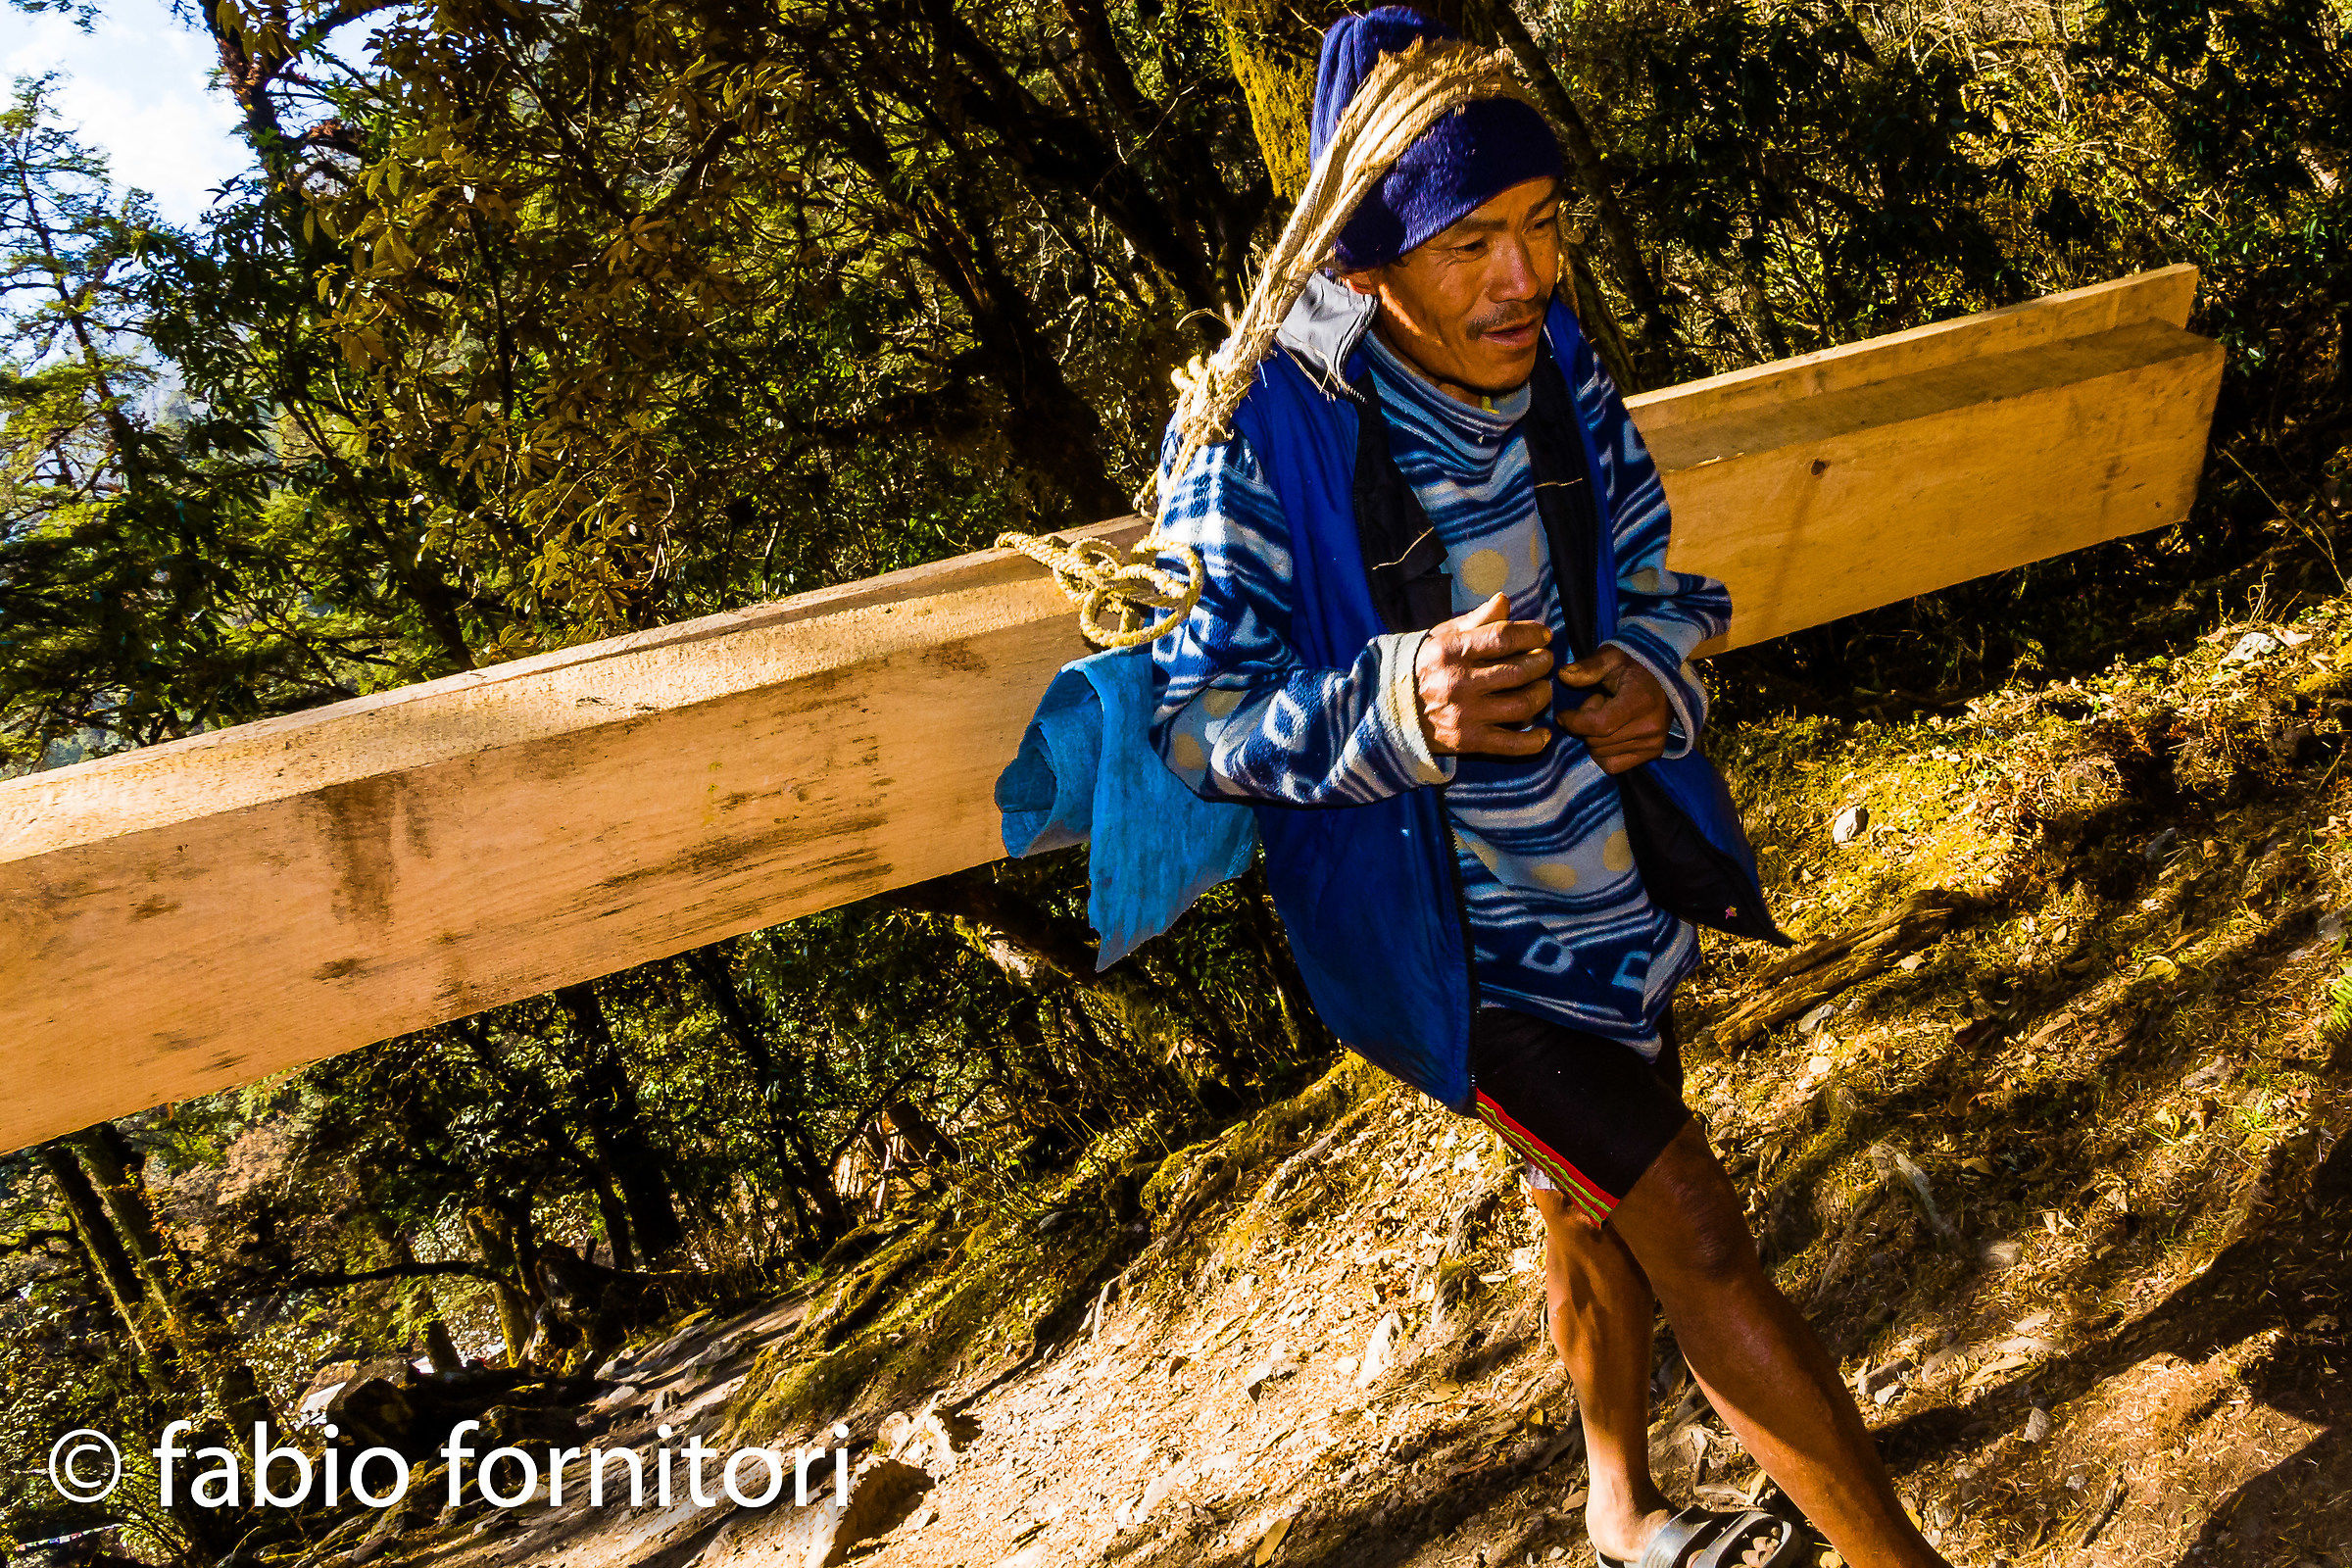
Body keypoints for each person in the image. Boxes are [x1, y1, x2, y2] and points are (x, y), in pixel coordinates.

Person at [1148, 12, 1954, 1567]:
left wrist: (1655, 676)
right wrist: (1401, 701)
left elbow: (1647, 567)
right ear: (1368, 259)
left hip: (1607, 891)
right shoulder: (1255, 435)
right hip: (1459, 951)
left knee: (1592, 1207)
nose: (1524, 277)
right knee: (1694, 1227)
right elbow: (1198, 720)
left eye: (1543, 225)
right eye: (1471, 245)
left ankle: (1619, 1509)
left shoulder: (1558, 362)